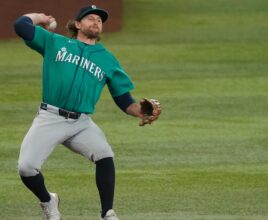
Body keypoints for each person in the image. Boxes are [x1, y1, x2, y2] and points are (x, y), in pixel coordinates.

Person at [13, 5, 161, 220]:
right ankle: (48, 200)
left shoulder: (107, 59)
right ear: (78, 24)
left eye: (99, 21)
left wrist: (141, 112)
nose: (95, 22)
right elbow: (21, 26)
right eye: (90, 18)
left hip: (81, 123)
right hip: (50, 118)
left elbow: (123, 100)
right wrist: (40, 17)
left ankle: (107, 213)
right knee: (26, 168)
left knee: (105, 155)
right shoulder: (55, 42)